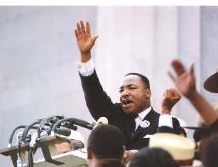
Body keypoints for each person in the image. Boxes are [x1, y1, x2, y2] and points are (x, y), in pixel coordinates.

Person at [74, 20, 185, 151]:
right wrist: (85, 55)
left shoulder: (166, 122)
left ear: (147, 93)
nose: (124, 93)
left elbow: (166, 155)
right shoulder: (113, 115)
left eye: (131, 88)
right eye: (121, 90)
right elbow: (94, 94)